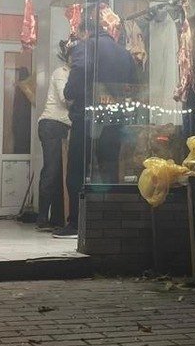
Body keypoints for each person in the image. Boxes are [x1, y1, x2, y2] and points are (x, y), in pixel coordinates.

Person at [53, 17, 137, 238]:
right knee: (109, 170)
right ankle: (108, 221)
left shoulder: (86, 46)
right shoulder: (124, 53)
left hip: (87, 119)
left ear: (84, 31)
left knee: (77, 170)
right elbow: (133, 84)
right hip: (115, 120)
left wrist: (70, 92)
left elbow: (79, 71)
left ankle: (76, 223)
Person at [36, 42, 71, 231]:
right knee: (51, 171)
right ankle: (42, 219)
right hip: (51, 125)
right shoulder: (61, 73)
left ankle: (56, 218)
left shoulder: (71, 75)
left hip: (59, 126)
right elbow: (65, 99)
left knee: (58, 173)